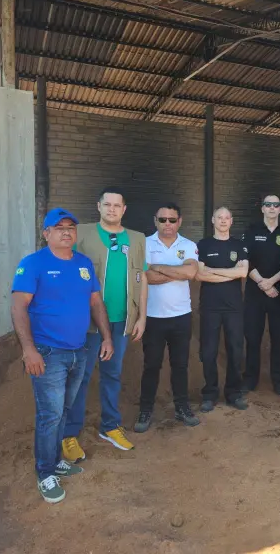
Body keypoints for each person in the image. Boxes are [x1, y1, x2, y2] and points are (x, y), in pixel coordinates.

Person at [10, 208, 113, 504]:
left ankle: (55, 461)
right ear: (46, 233)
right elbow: (18, 307)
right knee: (50, 415)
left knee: (64, 410)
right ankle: (45, 473)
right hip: (48, 352)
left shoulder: (83, 264)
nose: (66, 232)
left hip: (78, 350)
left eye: (71, 227)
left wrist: (107, 336)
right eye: (59, 227)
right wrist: (29, 350)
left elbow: (96, 302)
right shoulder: (33, 264)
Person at [61, 187, 148, 463]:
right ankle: (69, 433)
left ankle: (110, 426)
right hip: (87, 321)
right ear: (98, 206)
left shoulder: (136, 239)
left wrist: (142, 317)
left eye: (117, 205)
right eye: (107, 204)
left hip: (121, 320)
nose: (112, 209)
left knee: (112, 373)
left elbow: (142, 277)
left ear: (124, 209)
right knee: (81, 376)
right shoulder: (81, 234)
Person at [134, 203, 199, 432]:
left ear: (179, 221)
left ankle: (182, 407)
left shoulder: (188, 245)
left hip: (181, 316)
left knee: (180, 365)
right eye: (163, 220)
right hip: (153, 317)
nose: (167, 224)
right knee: (151, 365)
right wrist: (177, 272)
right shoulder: (144, 244)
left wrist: (158, 267)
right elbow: (146, 277)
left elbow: (191, 272)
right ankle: (145, 410)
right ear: (155, 220)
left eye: (172, 220)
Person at [242, 194, 280, 398]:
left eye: (276, 205)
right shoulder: (251, 231)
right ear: (262, 209)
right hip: (254, 293)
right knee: (252, 338)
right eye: (268, 204)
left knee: (279, 339)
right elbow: (245, 261)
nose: (272, 208)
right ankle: (249, 380)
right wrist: (262, 283)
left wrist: (272, 282)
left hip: (279, 294)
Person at [196, 206, 250, 412]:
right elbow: (200, 274)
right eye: (219, 217)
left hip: (234, 308)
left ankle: (233, 393)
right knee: (208, 351)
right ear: (213, 220)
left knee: (235, 350)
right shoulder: (203, 244)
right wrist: (230, 272)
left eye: (227, 217)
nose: (223, 220)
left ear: (231, 221)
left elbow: (243, 273)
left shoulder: (239, 245)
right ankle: (209, 393)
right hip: (210, 307)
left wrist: (213, 271)